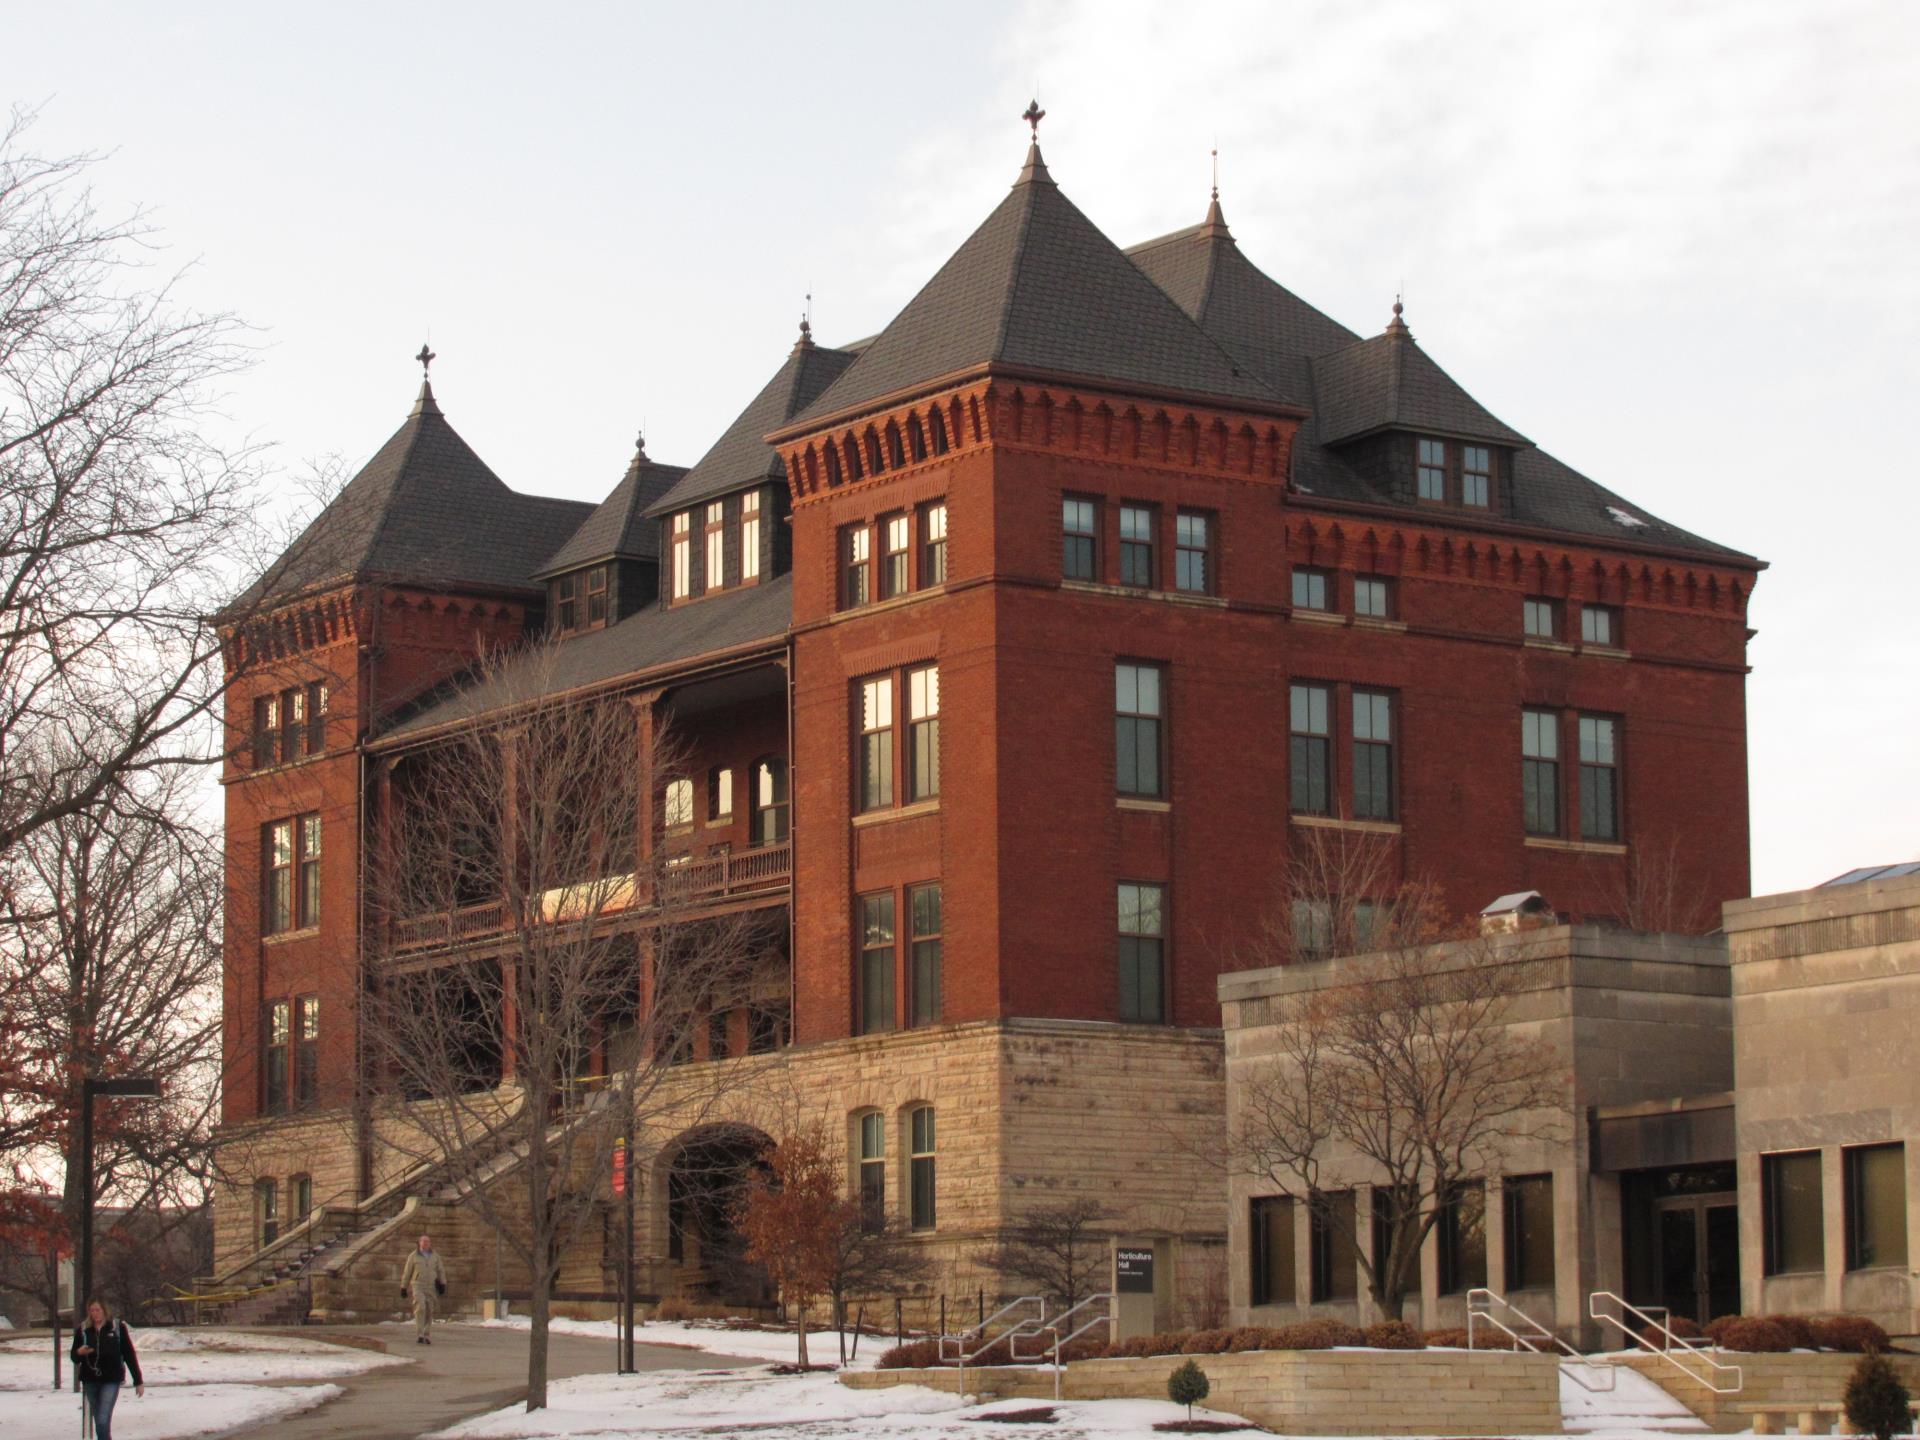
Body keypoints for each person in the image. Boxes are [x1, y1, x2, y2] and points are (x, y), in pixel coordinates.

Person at [71, 1298, 143, 1440]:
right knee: (99, 1419)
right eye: (92, 1311)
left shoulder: (116, 1327)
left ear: (104, 1310)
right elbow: (74, 1357)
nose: (95, 1314)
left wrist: (138, 1380)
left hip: (111, 1378)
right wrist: (80, 1352)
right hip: (90, 1378)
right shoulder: (84, 1329)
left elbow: (128, 1354)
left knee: (103, 1418)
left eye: (98, 1310)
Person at [398, 1233, 448, 1344]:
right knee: (420, 1307)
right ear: (420, 1243)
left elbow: (440, 1270)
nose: (426, 1244)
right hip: (418, 1285)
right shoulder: (413, 1256)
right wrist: (403, 1287)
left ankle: (426, 1334)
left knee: (429, 1309)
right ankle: (419, 1334)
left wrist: (443, 1283)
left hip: (431, 1286)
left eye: (428, 1242)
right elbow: (407, 1272)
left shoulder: (435, 1256)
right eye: (423, 1241)